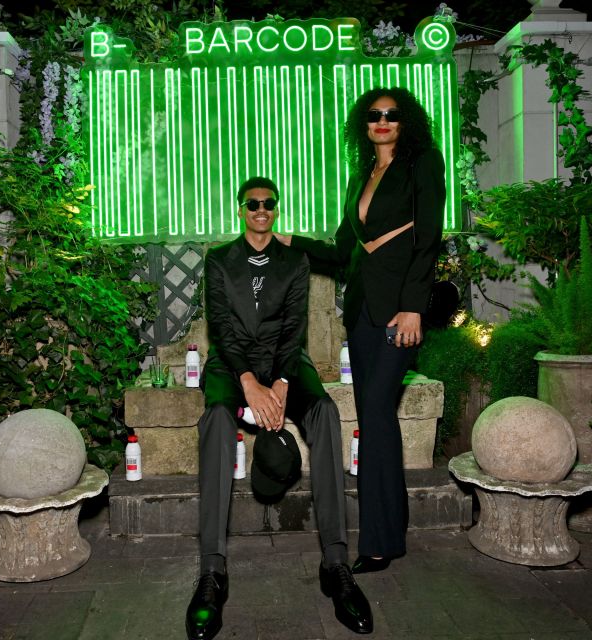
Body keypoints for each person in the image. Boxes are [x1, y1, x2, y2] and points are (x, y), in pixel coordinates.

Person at [185, 177, 373, 639]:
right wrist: (249, 382)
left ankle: (335, 564)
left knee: (325, 411)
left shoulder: (294, 261)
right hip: (232, 364)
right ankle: (212, 571)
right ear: (241, 209)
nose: (261, 210)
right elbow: (221, 327)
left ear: (276, 210)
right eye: (253, 204)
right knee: (215, 418)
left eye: (269, 204)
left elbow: (294, 327)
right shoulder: (218, 260)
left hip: (285, 358)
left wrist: (283, 381)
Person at [275, 87, 446, 573]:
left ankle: (377, 542)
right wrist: (287, 240)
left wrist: (413, 307)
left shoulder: (422, 164)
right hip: (364, 313)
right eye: (374, 115)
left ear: (406, 120)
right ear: (363, 124)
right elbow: (341, 252)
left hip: (398, 313)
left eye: (392, 114)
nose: (382, 121)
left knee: (374, 411)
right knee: (376, 420)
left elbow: (428, 239)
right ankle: (390, 529)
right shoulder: (361, 176)